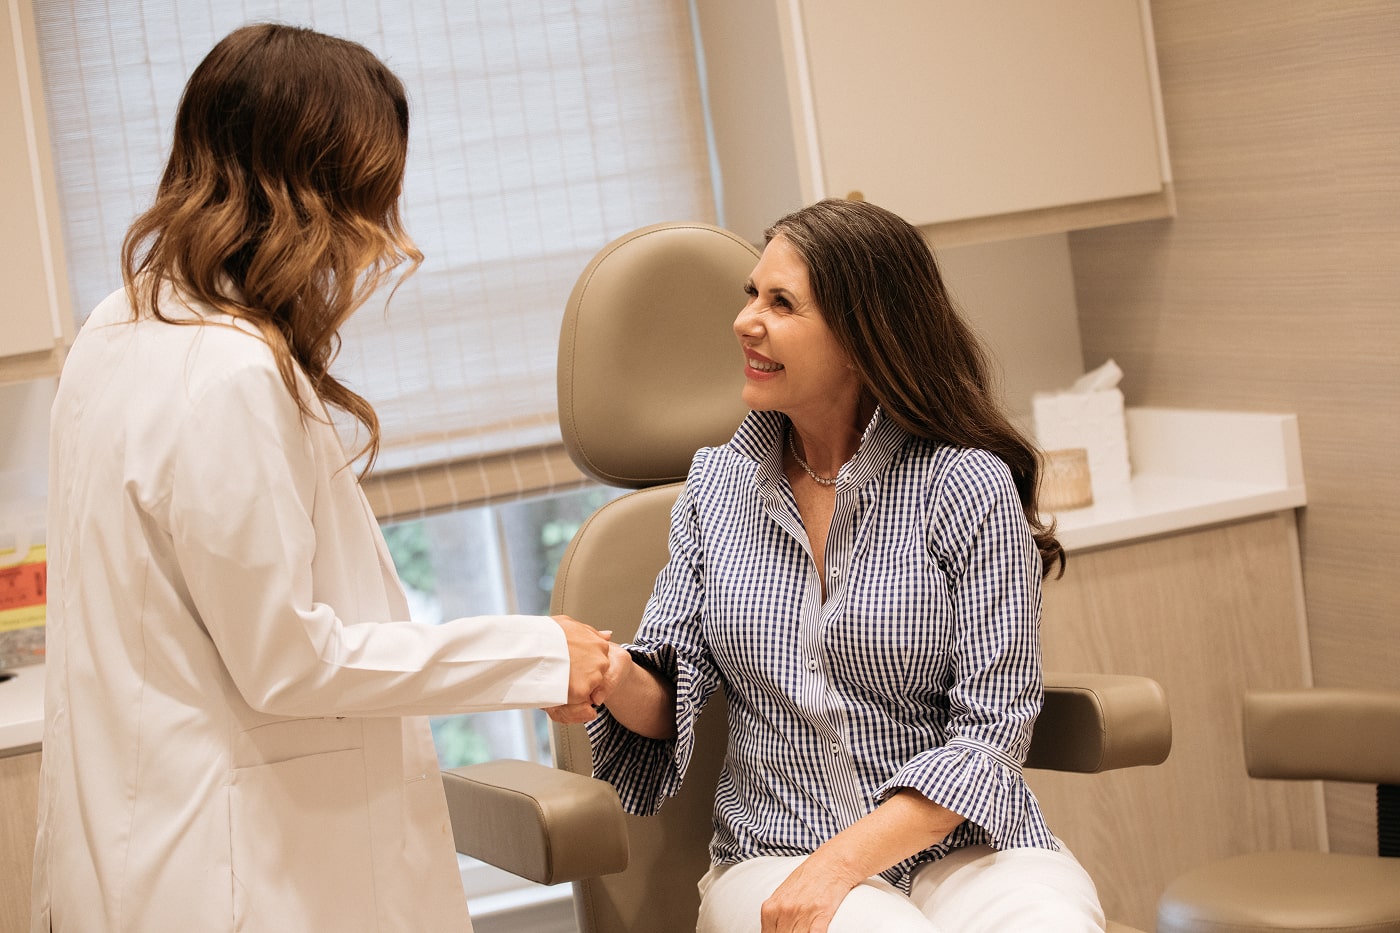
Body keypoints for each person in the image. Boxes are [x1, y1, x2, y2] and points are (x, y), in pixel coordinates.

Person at [31, 24, 612, 933]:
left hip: (145, 847)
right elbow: (290, 662)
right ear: (309, 190)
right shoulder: (224, 373)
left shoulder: (118, 327)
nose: (379, 235)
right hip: (235, 875)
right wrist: (533, 654)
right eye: (372, 196)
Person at [552, 198, 1105, 932]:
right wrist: (613, 673)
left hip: (963, 850)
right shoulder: (715, 491)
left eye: (782, 302)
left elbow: (991, 729)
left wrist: (844, 862)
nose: (746, 320)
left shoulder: (965, 484)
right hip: (776, 851)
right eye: (752, 294)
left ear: (863, 334)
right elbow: (671, 687)